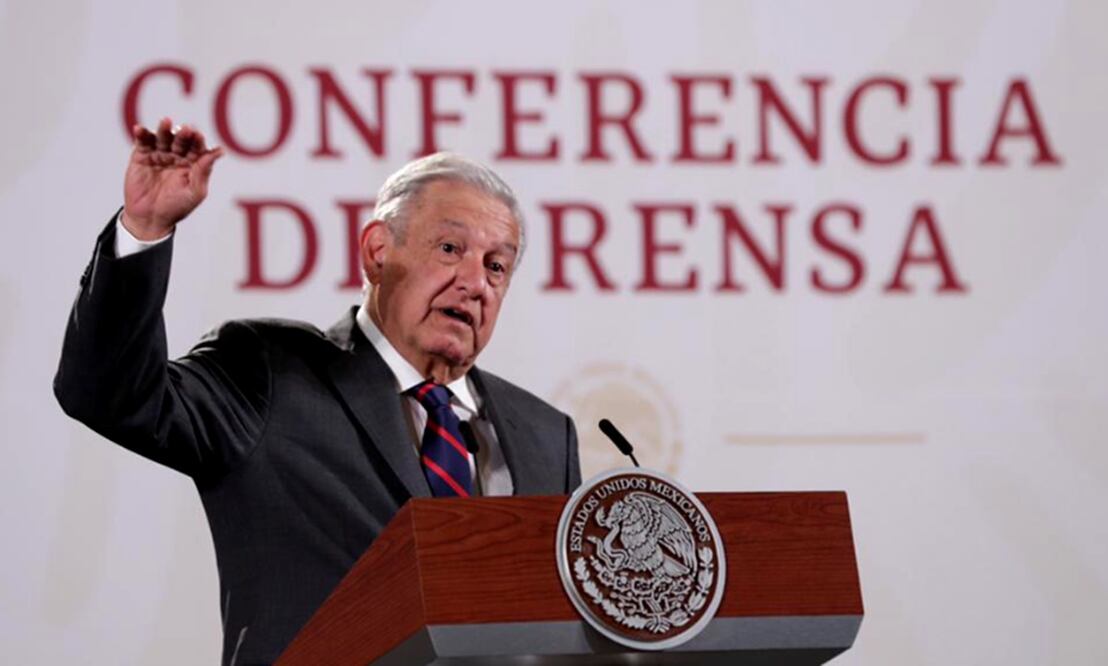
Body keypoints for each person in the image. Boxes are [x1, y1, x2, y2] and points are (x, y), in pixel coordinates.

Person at [54, 118, 582, 665]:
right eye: (450, 248)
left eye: (497, 266)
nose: (476, 283)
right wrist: (144, 231)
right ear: (378, 252)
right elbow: (109, 393)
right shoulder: (271, 373)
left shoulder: (545, 435)